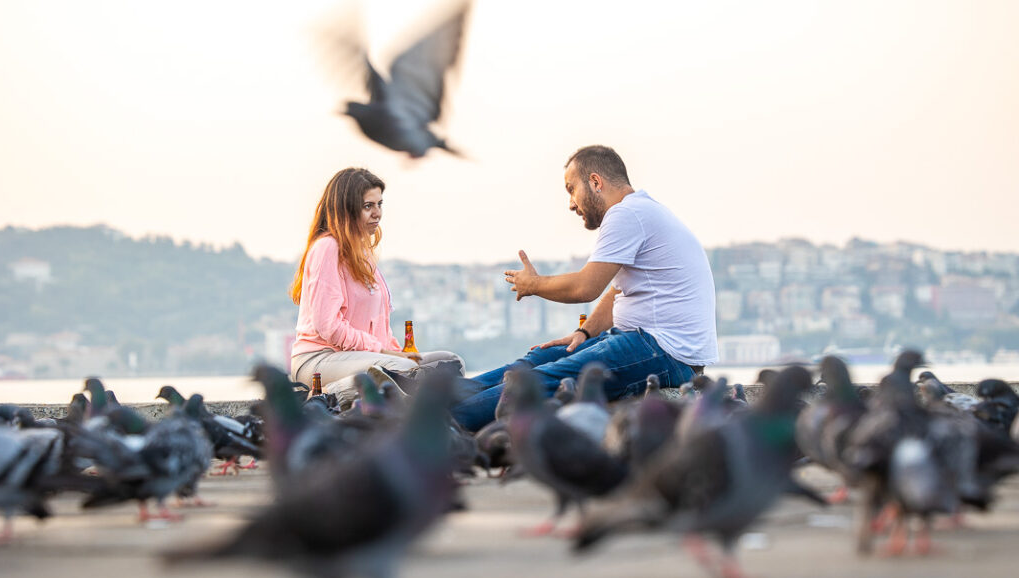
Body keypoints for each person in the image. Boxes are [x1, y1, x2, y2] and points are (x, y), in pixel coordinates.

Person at [452, 145, 718, 431]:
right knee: (535, 361)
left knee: (538, 380)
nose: (571, 203)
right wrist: (585, 332)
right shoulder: (638, 212)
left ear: (595, 182)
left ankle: (442, 424)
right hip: (646, 342)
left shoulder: (628, 214)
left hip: (666, 352)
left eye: (571, 189)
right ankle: (435, 401)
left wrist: (534, 284)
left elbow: (586, 287)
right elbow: (616, 291)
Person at [289, 167, 463, 403]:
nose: (377, 213)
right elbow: (327, 325)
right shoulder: (326, 248)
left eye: (380, 204)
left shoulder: (364, 253)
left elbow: (378, 324)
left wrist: (393, 350)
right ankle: (322, 397)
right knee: (400, 371)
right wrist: (381, 352)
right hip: (318, 360)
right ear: (346, 209)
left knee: (451, 364)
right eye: (368, 206)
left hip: (363, 356)